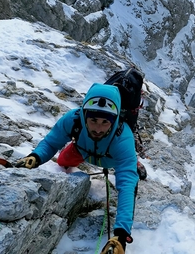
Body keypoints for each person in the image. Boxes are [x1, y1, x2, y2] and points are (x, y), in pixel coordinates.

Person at [16, 83, 139, 252]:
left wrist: (121, 234)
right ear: (84, 114)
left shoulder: (123, 138)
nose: (98, 128)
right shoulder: (73, 119)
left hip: (111, 158)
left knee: (129, 174)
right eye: (93, 120)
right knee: (61, 162)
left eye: (105, 122)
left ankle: (133, 163)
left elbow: (126, 187)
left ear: (114, 120)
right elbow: (51, 142)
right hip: (83, 151)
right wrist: (36, 157)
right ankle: (130, 162)